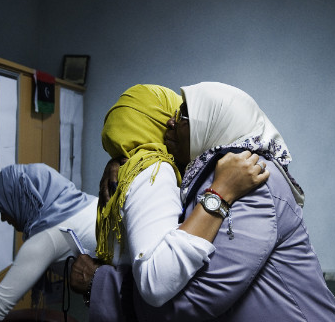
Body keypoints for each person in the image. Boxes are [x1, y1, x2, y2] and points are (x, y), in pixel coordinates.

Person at [74, 82, 335, 322]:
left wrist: (102, 283)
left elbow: (202, 295)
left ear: (211, 125)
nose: (170, 121)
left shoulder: (251, 179)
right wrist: (126, 159)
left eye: (183, 115)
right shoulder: (206, 172)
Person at [70, 84, 268, 316]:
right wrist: (220, 194)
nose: (172, 122)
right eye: (173, 113)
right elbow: (158, 281)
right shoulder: (154, 171)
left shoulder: (141, 169)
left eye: (182, 116)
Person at [0, 163, 98, 321]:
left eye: (3, 210)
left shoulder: (48, 238)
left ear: (20, 201)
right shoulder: (88, 204)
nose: (3, 219)